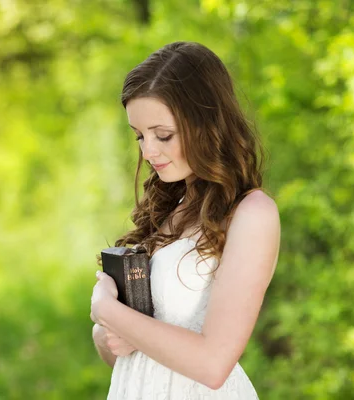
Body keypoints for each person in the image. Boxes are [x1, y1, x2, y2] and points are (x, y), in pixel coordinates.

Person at [90, 41, 280, 399]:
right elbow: (126, 358)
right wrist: (105, 333)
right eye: (140, 136)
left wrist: (106, 310)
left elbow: (213, 364)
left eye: (163, 135)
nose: (148, 151)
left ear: (206, 123)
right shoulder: (171, 204)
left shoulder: (252, 214)